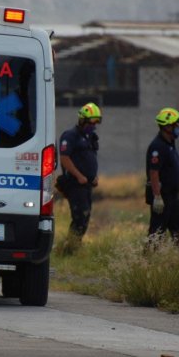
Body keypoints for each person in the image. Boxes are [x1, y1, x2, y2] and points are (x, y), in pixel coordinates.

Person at [58, 102, 102, 250]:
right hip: (75, 184)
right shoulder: (70, 136)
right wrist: (79, 176)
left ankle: (74, 246)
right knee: (79, 217)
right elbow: (64, 158)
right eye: (92, 122)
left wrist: (94, 176)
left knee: (85, 217)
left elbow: (91, 158)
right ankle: (69, 248)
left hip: (87, 185)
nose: (94, 125)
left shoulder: (90, 137)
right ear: (82, 120)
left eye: (96, 122)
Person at [146, 107, 179, 243]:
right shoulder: (157, 147)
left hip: (172, 197)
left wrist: (176, 194)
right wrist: (157, 197)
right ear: (167, 126)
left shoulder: (170, 143)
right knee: (157, 233)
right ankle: (148, 261)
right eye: (176, 125)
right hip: (162, 198)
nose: (178, 128)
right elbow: (154, 173)